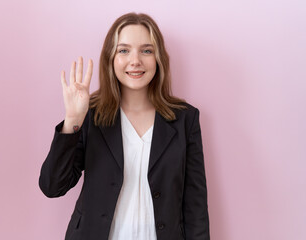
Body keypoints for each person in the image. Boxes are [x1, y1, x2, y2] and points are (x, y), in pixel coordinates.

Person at [39, 12, 210, 240]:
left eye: (146, 50)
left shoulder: (185, 119)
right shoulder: (91, 116)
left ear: (158, 59)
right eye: (124, 50)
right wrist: (72, 121)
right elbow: (52, 186)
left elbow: (195, 206)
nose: (135, 60)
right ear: (111, 58)